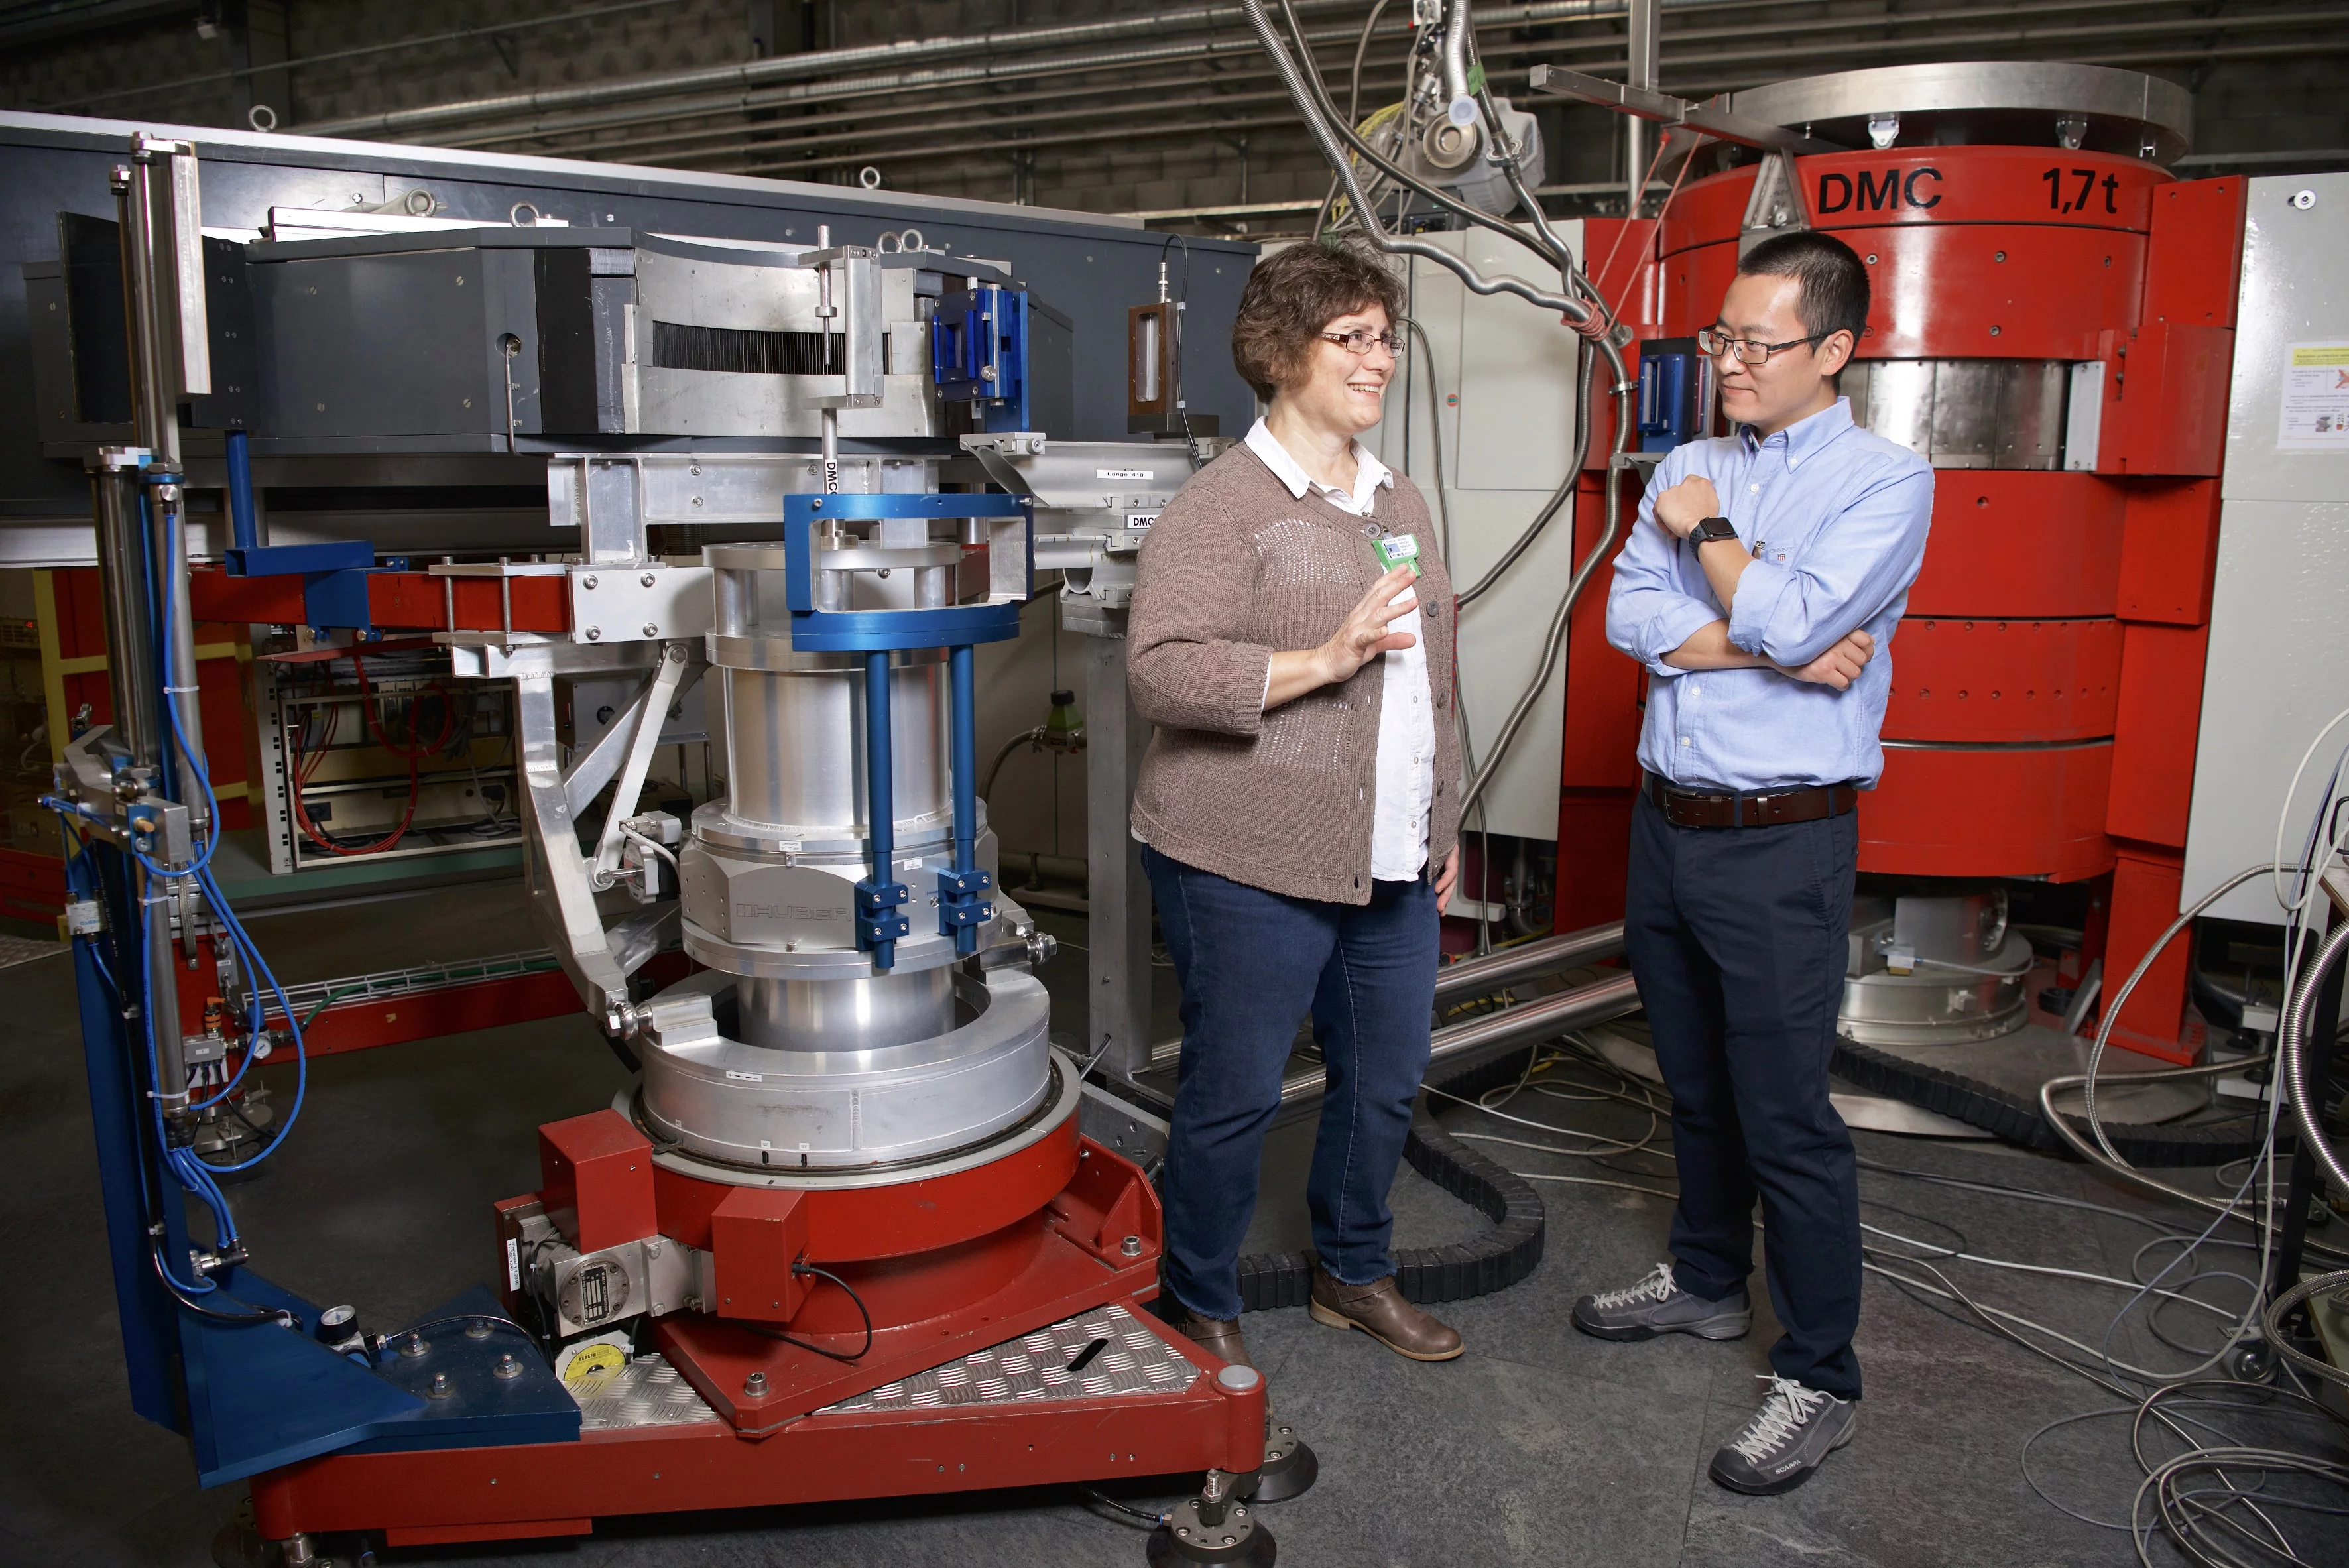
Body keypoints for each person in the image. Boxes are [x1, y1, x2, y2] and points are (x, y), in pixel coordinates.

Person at [1578, 229, 1933, 1494]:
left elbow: (1791, 612)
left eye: (1754, 343)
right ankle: (1709, 1283)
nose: (1725, 361)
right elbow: (1628, 614)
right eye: (1718, 337)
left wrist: (1718, 544)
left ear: (1833, 351)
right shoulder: (1683, 455)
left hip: (1784, 839)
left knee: (1786, 1114)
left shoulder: (1883, 482)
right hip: (1670, 824)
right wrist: (1765, 641)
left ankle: (1820, 1374)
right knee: (1692, 1082)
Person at [1124, 240, 1465, 1373]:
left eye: (1384, 338)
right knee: (1233, 1094)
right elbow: (1162, 670)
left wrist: (1442, 819)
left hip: (1390, 857)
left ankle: (1352, 1274)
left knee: (1383, 1085)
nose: (1377, 361)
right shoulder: (1224, 505)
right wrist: (1322, 659)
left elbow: (1429, 676)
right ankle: (1197, 1295)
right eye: (1350, 339)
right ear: (1282, 354)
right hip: (1242, 851)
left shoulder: (1397, 494)